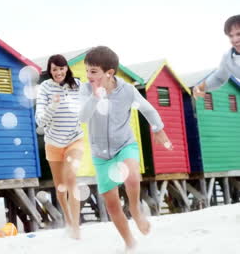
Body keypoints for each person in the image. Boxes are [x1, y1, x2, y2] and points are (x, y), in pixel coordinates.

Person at [79, 46, 172, 252]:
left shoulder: (127, 90)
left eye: (93, 71)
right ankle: (129, 242)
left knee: (131, 176)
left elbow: (147, 109)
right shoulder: (85, 90)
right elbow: (82, 118)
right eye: (87, 70)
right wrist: (95, 97)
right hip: (101, 154)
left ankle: (136, 209)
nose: (88, 75)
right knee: (111, 204)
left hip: (125, 144)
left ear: (109, 72)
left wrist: (158, 129)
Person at [35, 54, 84, 239]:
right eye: (54, 69)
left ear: (66, 69)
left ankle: (76, 226)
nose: (58, 72)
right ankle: (69, 220)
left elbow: (88, 105)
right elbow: (40, 121)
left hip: (74, 139)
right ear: (50, 71)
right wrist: (53, 105)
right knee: (61, 188)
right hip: (53, 143)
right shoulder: (45, 88)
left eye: (61, 68)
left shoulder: (77, 85)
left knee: (71, 177)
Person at [194, 14, 240, 97]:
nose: (235, 40)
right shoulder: (228, 58)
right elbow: (218, 78)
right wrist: (200, 87)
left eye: (239, 34)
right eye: (231, 36)